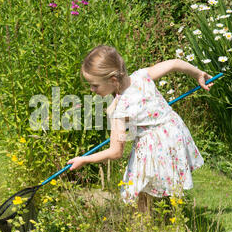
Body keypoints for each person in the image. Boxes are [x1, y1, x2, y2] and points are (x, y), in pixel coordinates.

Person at [66, 45, 213, 214]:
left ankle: (146, 225)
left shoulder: (120, 111)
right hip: (173, 132)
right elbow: (174, 63)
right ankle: (170, 218)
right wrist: (198, 74)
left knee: (140, 188)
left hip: (154, 144)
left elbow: (115, 152)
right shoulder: (142, 75)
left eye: (94, 85)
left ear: (113, 80)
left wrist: (84, 160)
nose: (92, 90)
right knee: (164, 181)